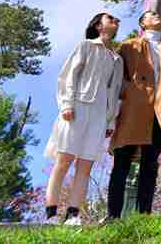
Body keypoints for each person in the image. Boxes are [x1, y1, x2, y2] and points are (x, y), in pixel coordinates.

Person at [43, 12, 123, 225]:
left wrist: (110, 121)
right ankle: (51, 214)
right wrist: (67, 104)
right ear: (98, 25)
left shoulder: (117, 59)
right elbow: (68, 76)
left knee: (86, 165)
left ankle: (72, 215)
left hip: (99, 116)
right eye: (110, 18)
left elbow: (114, 92)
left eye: (116, 20)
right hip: (76, 107)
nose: (116, 21)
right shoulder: (85, 46)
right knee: (64, 161)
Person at [107, 9, 161, 219]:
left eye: (158, 14)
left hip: (159, 111)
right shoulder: (128, 45)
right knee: (121, 162)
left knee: (150, 166)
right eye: (152, 15)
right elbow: (117, 74)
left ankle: (144, 216)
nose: (157, 16)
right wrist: (129, 91)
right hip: (132, 109)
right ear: (143, 23)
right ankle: (113, 217)